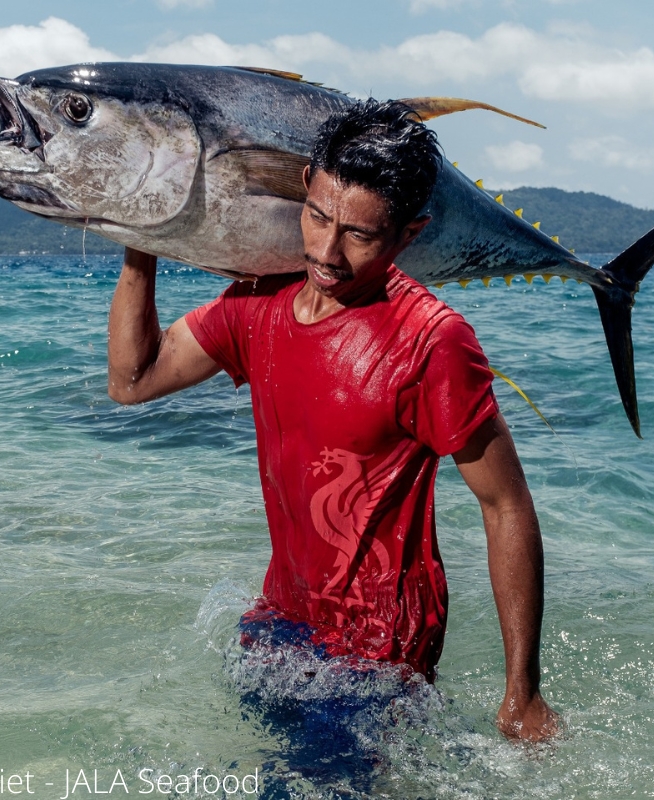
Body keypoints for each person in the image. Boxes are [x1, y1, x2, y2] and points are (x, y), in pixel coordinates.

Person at [107, 99, 559, 742]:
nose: (326, 251)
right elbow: (132, 379)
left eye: (361, 235)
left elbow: (506, 506)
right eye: (317, 217)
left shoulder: (432, 343)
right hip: (279, 621)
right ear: (303, 191)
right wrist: (141, 241)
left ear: (409, 234)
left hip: (378, 653)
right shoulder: (259, 302)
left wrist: (524, 692)